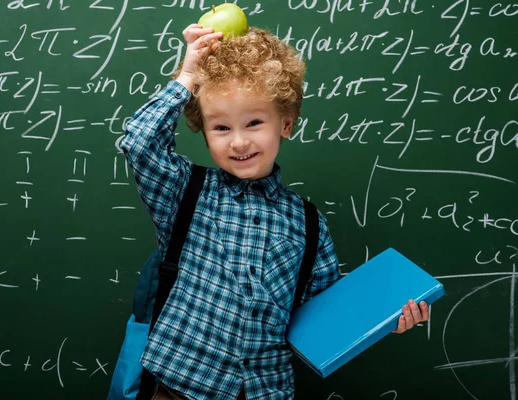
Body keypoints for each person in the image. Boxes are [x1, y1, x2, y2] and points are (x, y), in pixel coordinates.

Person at [120, 23, 429, 400]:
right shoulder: (186, 191)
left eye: (254, 122)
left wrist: (383, 322)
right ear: (203, 132)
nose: (239, 141)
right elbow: (138, 143)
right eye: (220, 127)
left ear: (285, 123)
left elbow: (322, 318)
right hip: (177, 389)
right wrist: (188, 76)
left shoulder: (308, 223)